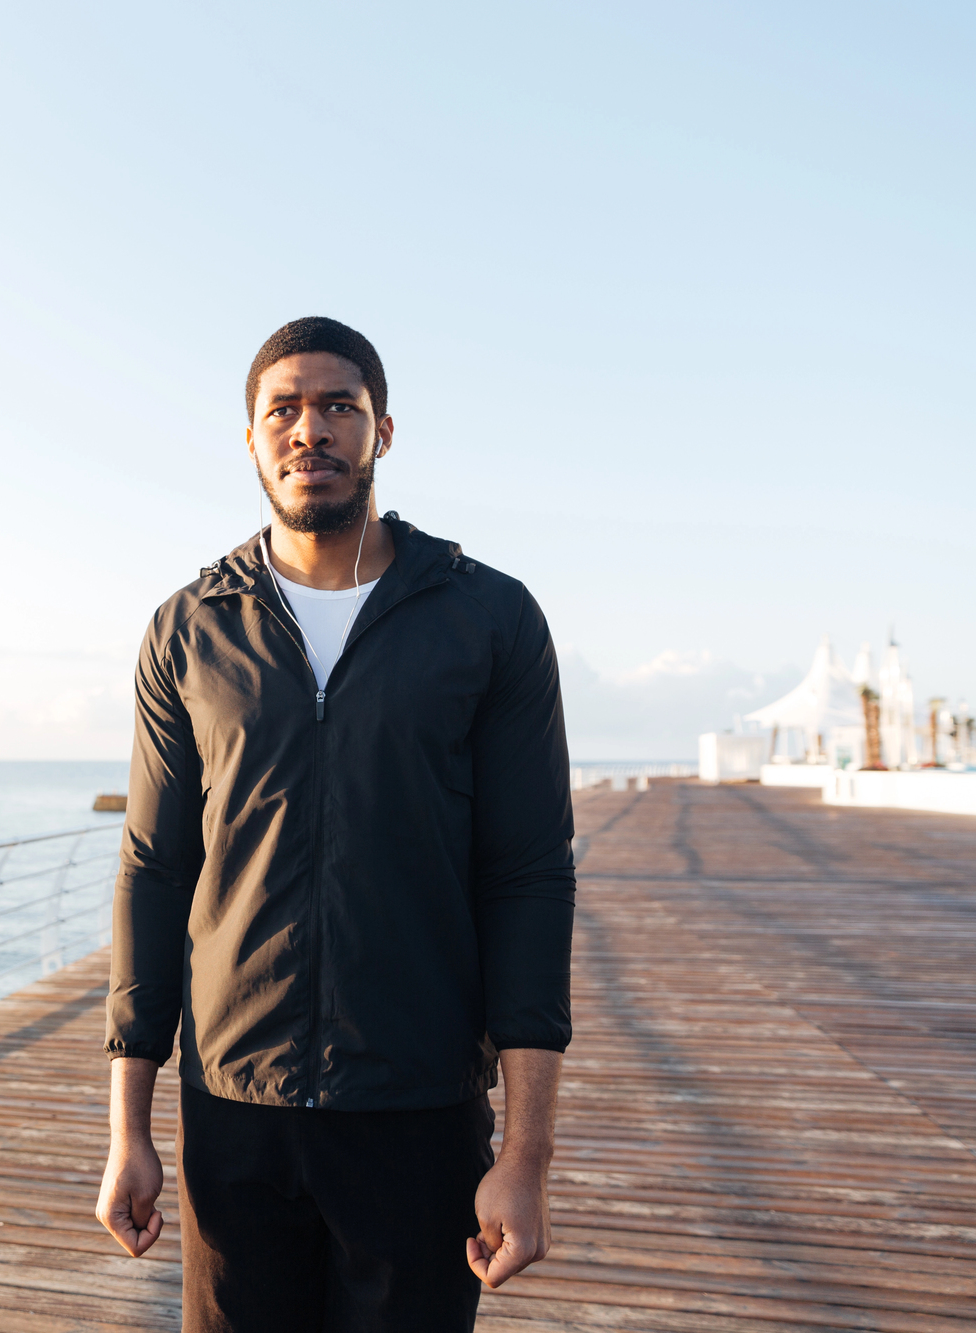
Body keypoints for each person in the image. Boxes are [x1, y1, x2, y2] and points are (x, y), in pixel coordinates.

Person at [93, 316, 576, 1331]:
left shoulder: (484, 618)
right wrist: (126, 1125)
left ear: (381, 432)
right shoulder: (190, 628)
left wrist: (523, 1156)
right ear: (251, 439)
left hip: (416, 1109)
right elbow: (153, 867)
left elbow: (528, 875)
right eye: (283, 409)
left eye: (336, 407)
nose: (307, 429)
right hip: (234, 1114)